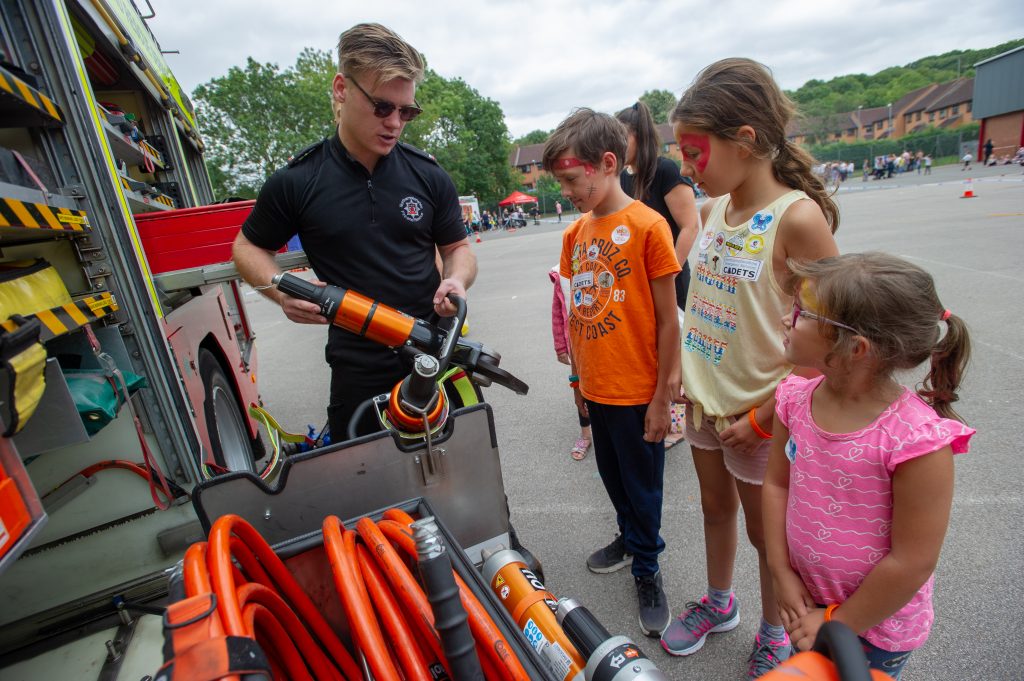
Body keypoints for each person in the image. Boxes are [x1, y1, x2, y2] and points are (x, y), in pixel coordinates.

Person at [661, 58, 840, 679]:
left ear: (746, 139)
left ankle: (774, 632)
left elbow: (833, 343)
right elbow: (707, 309)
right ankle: (719, 602)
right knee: (714, 509)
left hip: (763, 419)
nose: (687, 169)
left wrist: (765, 418)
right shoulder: (713, 213)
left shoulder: (796, 219)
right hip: (705, 405)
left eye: (695, 153)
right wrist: (684, 377)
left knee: (771, 540)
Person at [232, 23, 476, 441]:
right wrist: (280, 293)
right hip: (357, 368)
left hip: (434, 356)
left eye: (407, 111)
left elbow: (458, 247)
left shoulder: (427, 174)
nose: (396, 123)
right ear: (342, 89)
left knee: (458, 479)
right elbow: (246, 248)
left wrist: (456, 278)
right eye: (383, 107)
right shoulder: (298, 181)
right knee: (368, 495)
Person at [764, 252, 974, 680]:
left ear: (855, 347)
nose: (787, 318)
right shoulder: (794, 399)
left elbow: (911, 561)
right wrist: (781, 571)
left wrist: (837, 622)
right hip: (803, 602)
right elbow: (776, 485)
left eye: (802, 313)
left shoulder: (916, 441)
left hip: (875, 626)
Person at [544, 108, 681, 637]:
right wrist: (577, 381)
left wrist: (663, 397)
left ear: (606, 164)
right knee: (613, 478)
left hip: (638, 390)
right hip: (596, 388)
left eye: (572, 181)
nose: (567, 193)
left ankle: (648, 566)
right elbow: (580, 312)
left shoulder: (649, 226)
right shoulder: (575, 233)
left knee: (644, 487)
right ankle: (629, 537)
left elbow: (669, 322)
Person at [616, 101, 700, 319]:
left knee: (677, 345)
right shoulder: (623, 178)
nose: (616, 146)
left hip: (671, 281)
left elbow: (690, 227)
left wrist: (669, 275)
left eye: (622, 138)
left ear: (640, 136)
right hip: (639, 282)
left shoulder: (665, 170)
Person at [549, 266, 592, 461]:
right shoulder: (561, 275)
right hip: (577, 347)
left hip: (601, 343)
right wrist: (560, 346)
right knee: (579, 389)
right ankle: (585, 434)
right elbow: (558, 312)